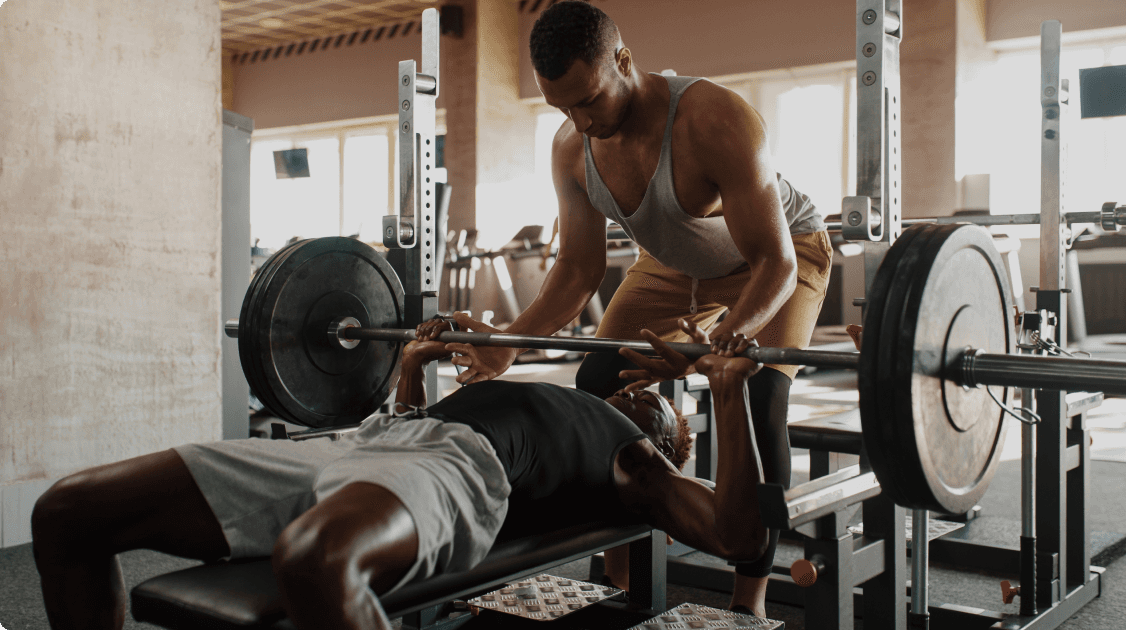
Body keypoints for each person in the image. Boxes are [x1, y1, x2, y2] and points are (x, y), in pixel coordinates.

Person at [440, 1, 832, 615]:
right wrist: (509, 343)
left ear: (623, 60)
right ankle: (624, 572)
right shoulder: (572, 145)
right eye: (562, 106)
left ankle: (748, 599)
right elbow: (578, 268)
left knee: (756, 400)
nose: (578, 118)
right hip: (674, 263)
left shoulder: (714, 118)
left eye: (589, 99)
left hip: (780, 255)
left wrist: (721, 343)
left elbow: (774, 262)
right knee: (600, 379)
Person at [32, 313, 768, 630]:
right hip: (367, 443)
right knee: (68, 512)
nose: (649, 394)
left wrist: (728, 394)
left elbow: (737, 533)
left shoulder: (640, 464)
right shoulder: (574, 402)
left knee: (319, 559)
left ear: (673, 445)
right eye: (644, 390)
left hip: (461, 467)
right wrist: (411, 367)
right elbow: (404, 426)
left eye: (666, 408)